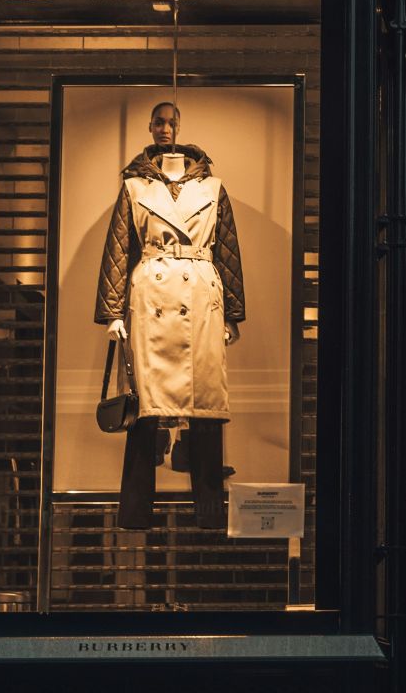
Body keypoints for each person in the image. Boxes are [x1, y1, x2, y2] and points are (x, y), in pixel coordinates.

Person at [96, 101, 247, 529]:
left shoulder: (214, 187)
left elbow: (228, 251)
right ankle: (137, 512)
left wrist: (232, 313)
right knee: (146, 406)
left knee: (205, 407)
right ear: (150, 127)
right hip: (150, 295)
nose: (166, 128)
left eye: (172, 122)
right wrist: (112, 311)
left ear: (181, 127)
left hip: (200, 295)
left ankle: (208, 513)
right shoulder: (133, 187)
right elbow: (118, 250)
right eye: (160, 121)